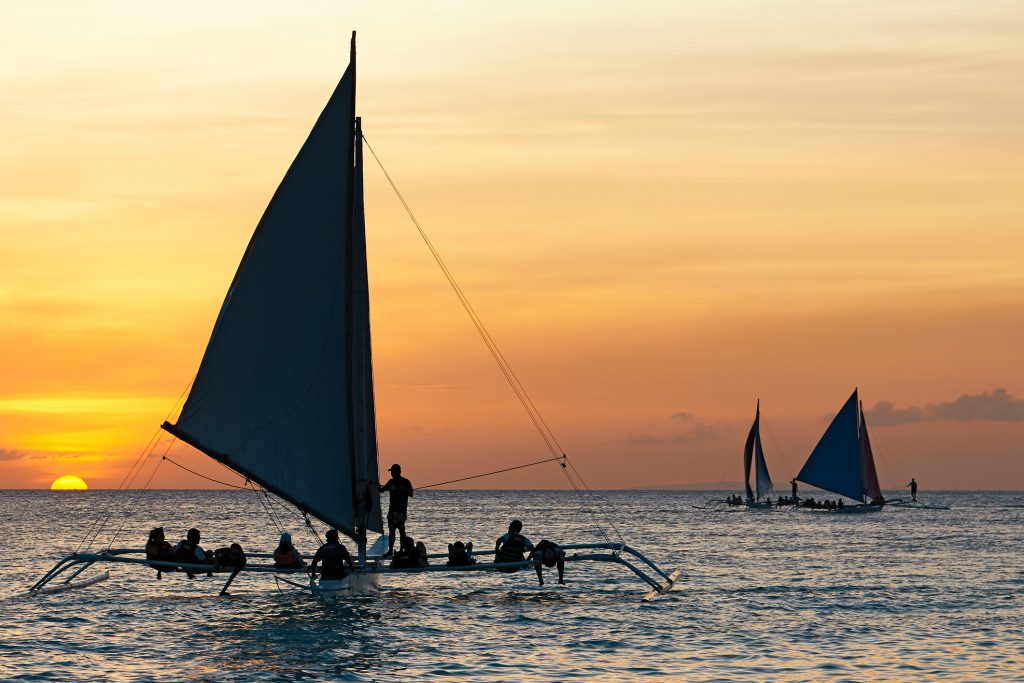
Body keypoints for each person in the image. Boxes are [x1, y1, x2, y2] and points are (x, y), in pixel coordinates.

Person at [378, 464, 414, 558]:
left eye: (393, 472)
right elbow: (381, 490)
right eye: (391, 472)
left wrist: (402, 490)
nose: (392, 474)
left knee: (402, 531)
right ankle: (390, 551)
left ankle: (402, 549)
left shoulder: (405, 482)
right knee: (392, 531)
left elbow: (411, 493)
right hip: (392, 511)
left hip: (401, 512)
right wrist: (376, 485)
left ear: (397, 472)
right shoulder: (391, 482)